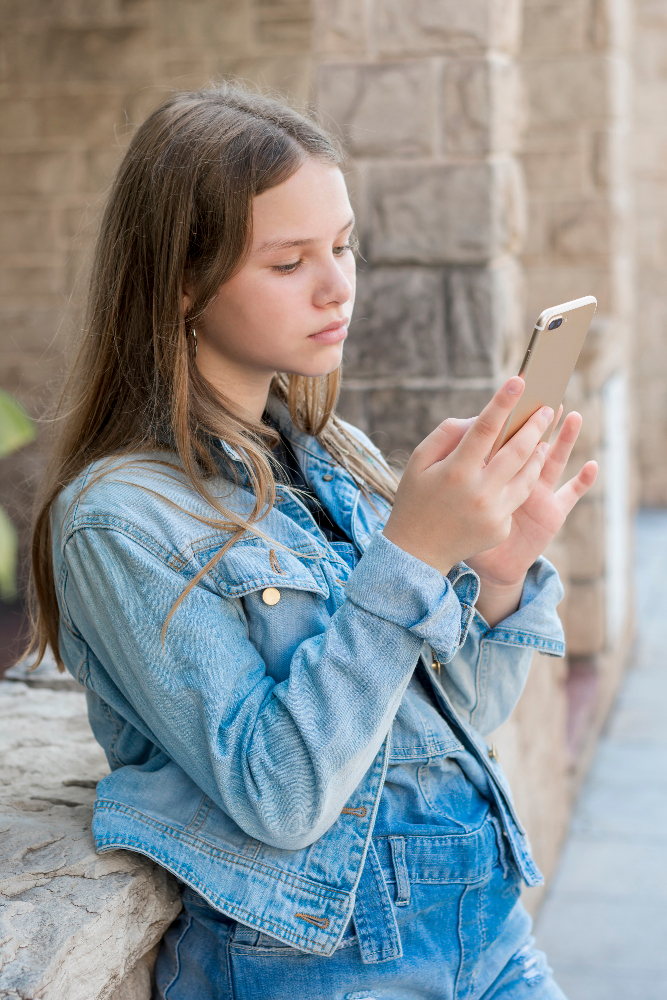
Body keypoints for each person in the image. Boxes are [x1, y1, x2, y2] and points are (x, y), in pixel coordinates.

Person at [30, 84, 597, 999]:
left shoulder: (335, 456)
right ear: (182, 281)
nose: (339, 286)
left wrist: (496, 571)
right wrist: (408, 556)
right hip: (322, 966)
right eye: (290, 261)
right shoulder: (118, 519)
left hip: (487, 934)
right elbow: (280, 793)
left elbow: (464, 718)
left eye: (343, 246)